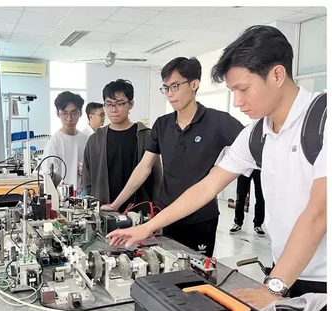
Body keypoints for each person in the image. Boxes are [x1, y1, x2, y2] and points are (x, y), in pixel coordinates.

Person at [107, 25, 327, 308]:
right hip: (285, 272)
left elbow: (319, 214)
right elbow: (207, 186)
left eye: (243, 89)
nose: (237, 101)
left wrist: (273, 288)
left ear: (277, 74)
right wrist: (146, 227)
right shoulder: (256, 133)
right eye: (232, 90)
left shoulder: (323, 121)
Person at [102, 58, 244, 257]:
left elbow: (249, 149)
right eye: (166, 88)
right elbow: (144, 167)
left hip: (201, 217)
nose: (169, 94)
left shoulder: (219, 121)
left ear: (194, 84)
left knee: (196, 273)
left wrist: (223, 170)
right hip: (166, 215)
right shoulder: (162, 124)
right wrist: (116, 204)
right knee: (165, 267)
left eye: (175, 86)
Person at [82, 79, 162, 213]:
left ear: (131, 104)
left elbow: (157, 180)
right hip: (104, 210)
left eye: (119, 104)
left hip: (139, 212)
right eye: (109, 104)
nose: (113, 109)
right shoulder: (95, 140)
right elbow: (87, 180)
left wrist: (157, 211)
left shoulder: (146, 136)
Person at [43, 91, 88, 191]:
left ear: (80, 113)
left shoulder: (85, 139)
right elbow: (48, 177)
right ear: (58, 114)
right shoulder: (54, 142)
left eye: (74, 113)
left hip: (82, 196)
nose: (69, 118)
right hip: (61, 198)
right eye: (64, 113)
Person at [230, 169, 266, 236]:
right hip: (246, 166)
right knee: (240, 197)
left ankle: (258, 225)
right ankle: (238, 223)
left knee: (260, 197)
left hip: (259, 167)